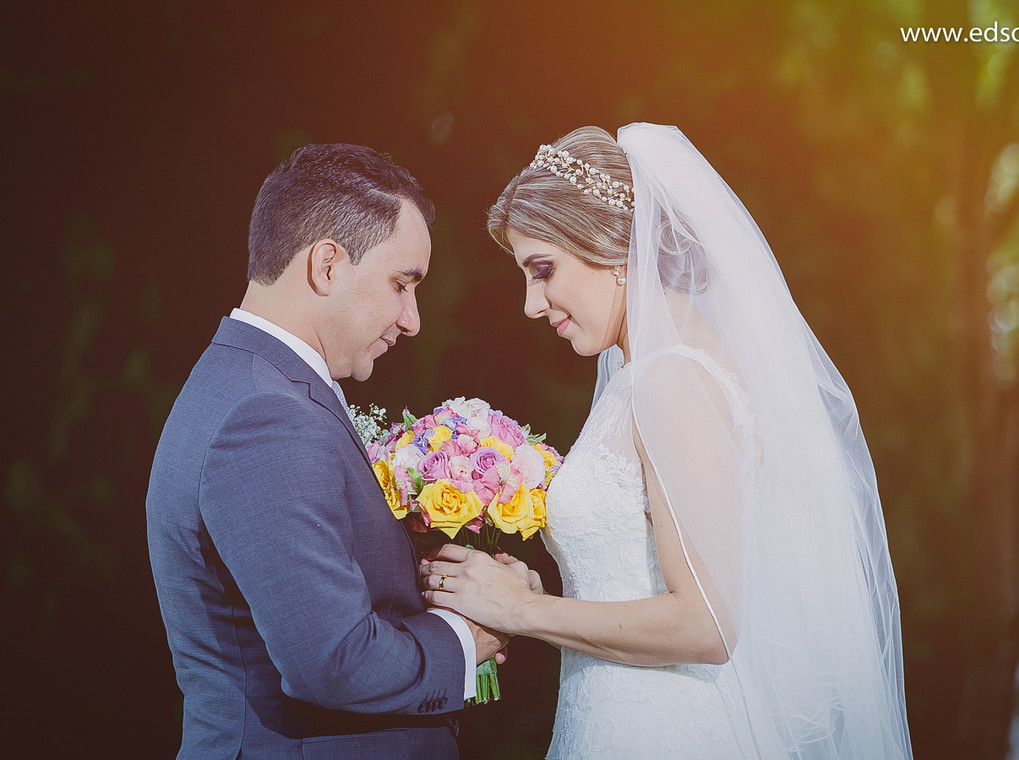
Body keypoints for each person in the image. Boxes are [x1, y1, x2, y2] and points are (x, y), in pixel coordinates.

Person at [420, 124, 914, 758]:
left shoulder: (671, 380)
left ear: (612, 243)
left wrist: (524, 612)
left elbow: (706, 623)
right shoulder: (644, 376)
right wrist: (539, 596)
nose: (530, 304)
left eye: (543, 269)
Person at [146, 143, 506, 759]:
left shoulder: (251, 384)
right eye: (401, 283)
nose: (412, 318)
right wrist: (468, 636)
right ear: (327, 266)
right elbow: (333, 662)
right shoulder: (267, 417)